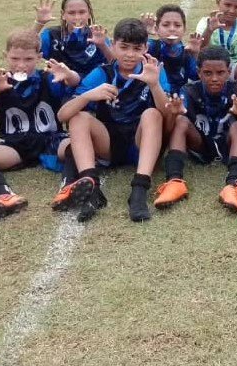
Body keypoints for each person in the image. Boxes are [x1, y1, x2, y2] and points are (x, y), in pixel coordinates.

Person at [53, 18, 170, 223]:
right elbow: (62, 116)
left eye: (137, 48)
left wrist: (154, 85)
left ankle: (139, 190)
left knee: (152, 114)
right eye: (124, 47)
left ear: (146, 48)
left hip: (141, 144)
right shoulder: (102, 72)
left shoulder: (153, 69)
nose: (130, 54)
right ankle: (93, 188)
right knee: (79, 116)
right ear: (113, 45)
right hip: (109, 143)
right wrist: (88, 96)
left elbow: (168, 115)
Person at [0, 29, 81, 221]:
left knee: (76, 146)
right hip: (14, 143)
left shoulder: (48, 77)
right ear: (6, 56)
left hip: (50, 138)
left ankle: (67, 188)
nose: (21, 65)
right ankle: (4, 195)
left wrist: (68, 74)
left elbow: (75, 82)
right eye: (14, 59)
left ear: (39, 57)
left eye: (28, 59)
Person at [156, 46, 237, 214]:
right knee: (180, 120)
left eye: (220, 73)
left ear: (229, 71)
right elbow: (168, 131)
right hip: (200, 144)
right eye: (208, 73)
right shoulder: (188, 91)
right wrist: (173, 115)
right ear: (198, 72)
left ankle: (233, 185)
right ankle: (175, 181)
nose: (214, 78)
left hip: (229, 144)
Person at [33, 0, 112, 78]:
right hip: (59, 83)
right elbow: (24, 49)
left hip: (92, 84)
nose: (77, 17)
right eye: (71, 13)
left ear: (89, 13)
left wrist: (103, 45)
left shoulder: (97, 35)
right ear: (63, 15)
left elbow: (115, 64)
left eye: (82, 12)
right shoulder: (52, 35)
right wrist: (39, 23)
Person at [142, 4, 200, 94]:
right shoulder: (150, 47)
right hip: (154, 98)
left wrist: (195, 54)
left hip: (179, 101)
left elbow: (197, 77)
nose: (172, 29)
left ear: (184, 30)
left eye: (177, 25)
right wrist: (143, 32)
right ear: (156, 29)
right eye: (166, 25)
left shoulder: (187, 52)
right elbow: (132, 52)